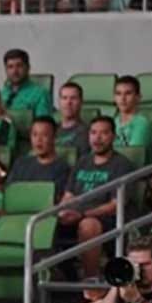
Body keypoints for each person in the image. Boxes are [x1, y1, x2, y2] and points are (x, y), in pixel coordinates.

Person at [57, 116, 135, 278]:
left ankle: (91, 282)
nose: (97, 138)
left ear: (113, 136)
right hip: (76, 214)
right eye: (93, 133)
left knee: (88, 225)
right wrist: (62, 212)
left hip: (106, 219)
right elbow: (69, 195)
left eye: (103, 133)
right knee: (46, 223)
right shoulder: (82, 162)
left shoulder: (122, 164)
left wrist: (83, 214)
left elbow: (115, 204)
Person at [8, 117, 72, 201]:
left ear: (54, 138)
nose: (38, 140)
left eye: (44, 135)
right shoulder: (20, 164)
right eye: (35, 135)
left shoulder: (63, 169)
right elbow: (9, 194)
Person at [0, 48, 52, 118]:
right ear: (6, 70)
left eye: (19, 66)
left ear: (28, 68)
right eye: (10, 67)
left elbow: (42, 126)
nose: (15, 71)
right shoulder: (1, 93)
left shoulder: (40, 94)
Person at [112, 75, 152, 150]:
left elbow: (132, 155)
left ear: (138, 97)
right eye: (118, 93)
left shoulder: (142, 124)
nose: (122, 98)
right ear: (114, 98)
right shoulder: (112, 122)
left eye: (128, 93)